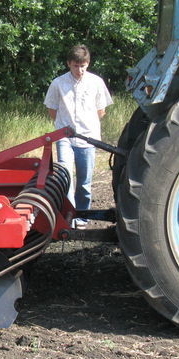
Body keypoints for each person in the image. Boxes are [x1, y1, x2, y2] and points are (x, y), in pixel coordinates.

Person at [44, 44, 112, 229]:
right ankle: (69, 217)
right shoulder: (58, 83)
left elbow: (101, 110)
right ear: (69, 64)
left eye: (83, 65)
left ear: (88, 64)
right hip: (65, 136)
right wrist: (63, 126)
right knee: (66, 177)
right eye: (75, 66)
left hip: (88, 136)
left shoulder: (96, 82)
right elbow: (52, 109)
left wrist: (87, 125)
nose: (79, 70)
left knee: (85, 180)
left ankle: (82, 217)